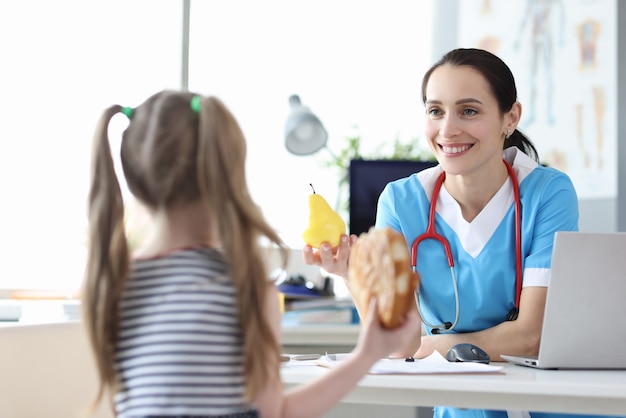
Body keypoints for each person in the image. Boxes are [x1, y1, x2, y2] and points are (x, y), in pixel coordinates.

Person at [304, 48, 619, 418]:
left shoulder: (547, 193)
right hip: (463, 409)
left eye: (469, 111)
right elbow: (398, 346)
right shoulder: (401, 202)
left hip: (549, 407)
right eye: (435, 111)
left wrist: (432, 345)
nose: (448, 129)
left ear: (510, 117)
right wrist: (353, 277)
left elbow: (533, 336)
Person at [81, 90, 420, 418]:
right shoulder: (244, 286)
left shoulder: (111, 283)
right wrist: (367, 355)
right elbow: (276, 413)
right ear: (227, 181)